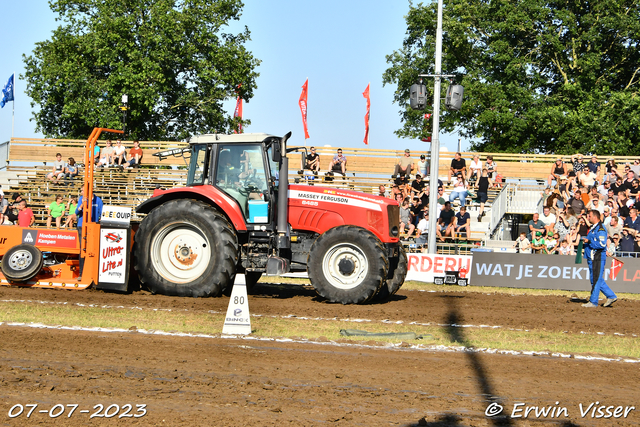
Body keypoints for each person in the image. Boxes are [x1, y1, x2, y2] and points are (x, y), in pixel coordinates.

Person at [582, 210, 617, 307]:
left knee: (596, 279)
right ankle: (611, 296)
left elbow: (601, 244)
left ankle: (593, 301)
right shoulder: (594, 228)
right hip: (592, 257)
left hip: (597, 258)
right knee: (596, 279)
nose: (588, 218)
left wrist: (589, 241)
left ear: (594, 217)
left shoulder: (601, 229)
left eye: (589, 216)